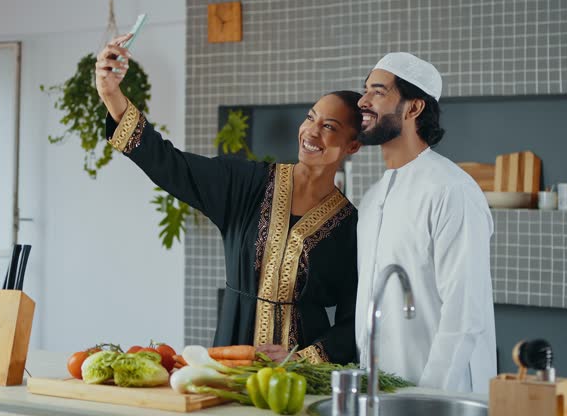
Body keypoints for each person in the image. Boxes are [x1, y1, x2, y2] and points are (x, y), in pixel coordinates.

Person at [95, 35, 362, 364]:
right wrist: (111, 95)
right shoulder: (248, 184)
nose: (311, 131)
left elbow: (355, 321)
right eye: (310, 117)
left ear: (352, 146)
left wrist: (303, 359)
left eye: (329, 127)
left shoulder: (349, 225)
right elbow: (171, 165)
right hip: (232, 348)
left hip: (302, 372)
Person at [354, 52, 496, 392]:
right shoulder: (372, 198)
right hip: (383, 391)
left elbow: (465, 315)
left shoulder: (452, 190)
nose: (362, 101)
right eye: (365, 90)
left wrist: (428, 399)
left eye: (378, 91)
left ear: (413, 108)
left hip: (443, 395)